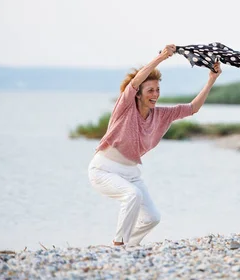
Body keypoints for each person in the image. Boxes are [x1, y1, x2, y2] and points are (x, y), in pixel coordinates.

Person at [87, 44, 222, 246]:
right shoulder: (125, 107)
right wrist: (161, 58)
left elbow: (192, 108)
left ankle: (130, 246)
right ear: (138, 94)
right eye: (150, 90)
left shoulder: (161, 115)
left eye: (158, 90)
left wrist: (211, 80)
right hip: (103, 170)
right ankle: (118, 245)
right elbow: (135, 82)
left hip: (131, 173)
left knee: (152, 218)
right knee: (132, 195)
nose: (155, 94)